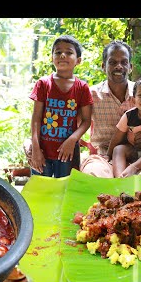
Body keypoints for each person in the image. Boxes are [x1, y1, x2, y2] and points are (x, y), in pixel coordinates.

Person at [79, 40, 141, 179]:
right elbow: (73, 126)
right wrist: (40, 146)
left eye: (124, 62)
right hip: (105, 158)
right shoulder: (92, 95)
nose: (119, 66)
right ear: (103, 66)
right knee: (92, 174)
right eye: (112, 62)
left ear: (130, 67)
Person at [29, 35, 93, 178]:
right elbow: (36, 118)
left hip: (66, 153)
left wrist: (72, 140)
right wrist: (35, 148)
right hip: (42, 152)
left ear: (78, 60)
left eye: (69, 52)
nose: (62, 55)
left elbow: (87, 120)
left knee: (63, 192)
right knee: (41, 191)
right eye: (58, 52)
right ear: (52, 58)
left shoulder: (82, 88)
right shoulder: (43, 84)